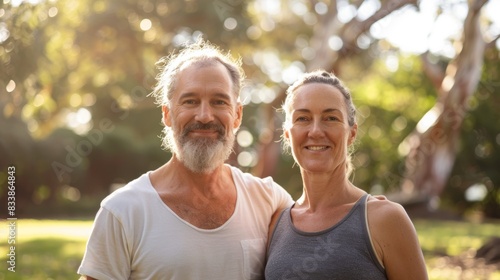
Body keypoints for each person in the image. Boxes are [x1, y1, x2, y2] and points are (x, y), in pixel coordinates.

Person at [78, 39, 293, 280]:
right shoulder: (122, 211)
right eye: (190, 101)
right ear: (167, 114)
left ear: (237, 115)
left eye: (219, 101)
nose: (204, 116)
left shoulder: (270, 200)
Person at [264, 70, 428, 279]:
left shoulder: (385, 219)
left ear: (351, 133)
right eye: (303, 118)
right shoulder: (275, 224)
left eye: (330, 118)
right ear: (288, 134)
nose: (315, 131)